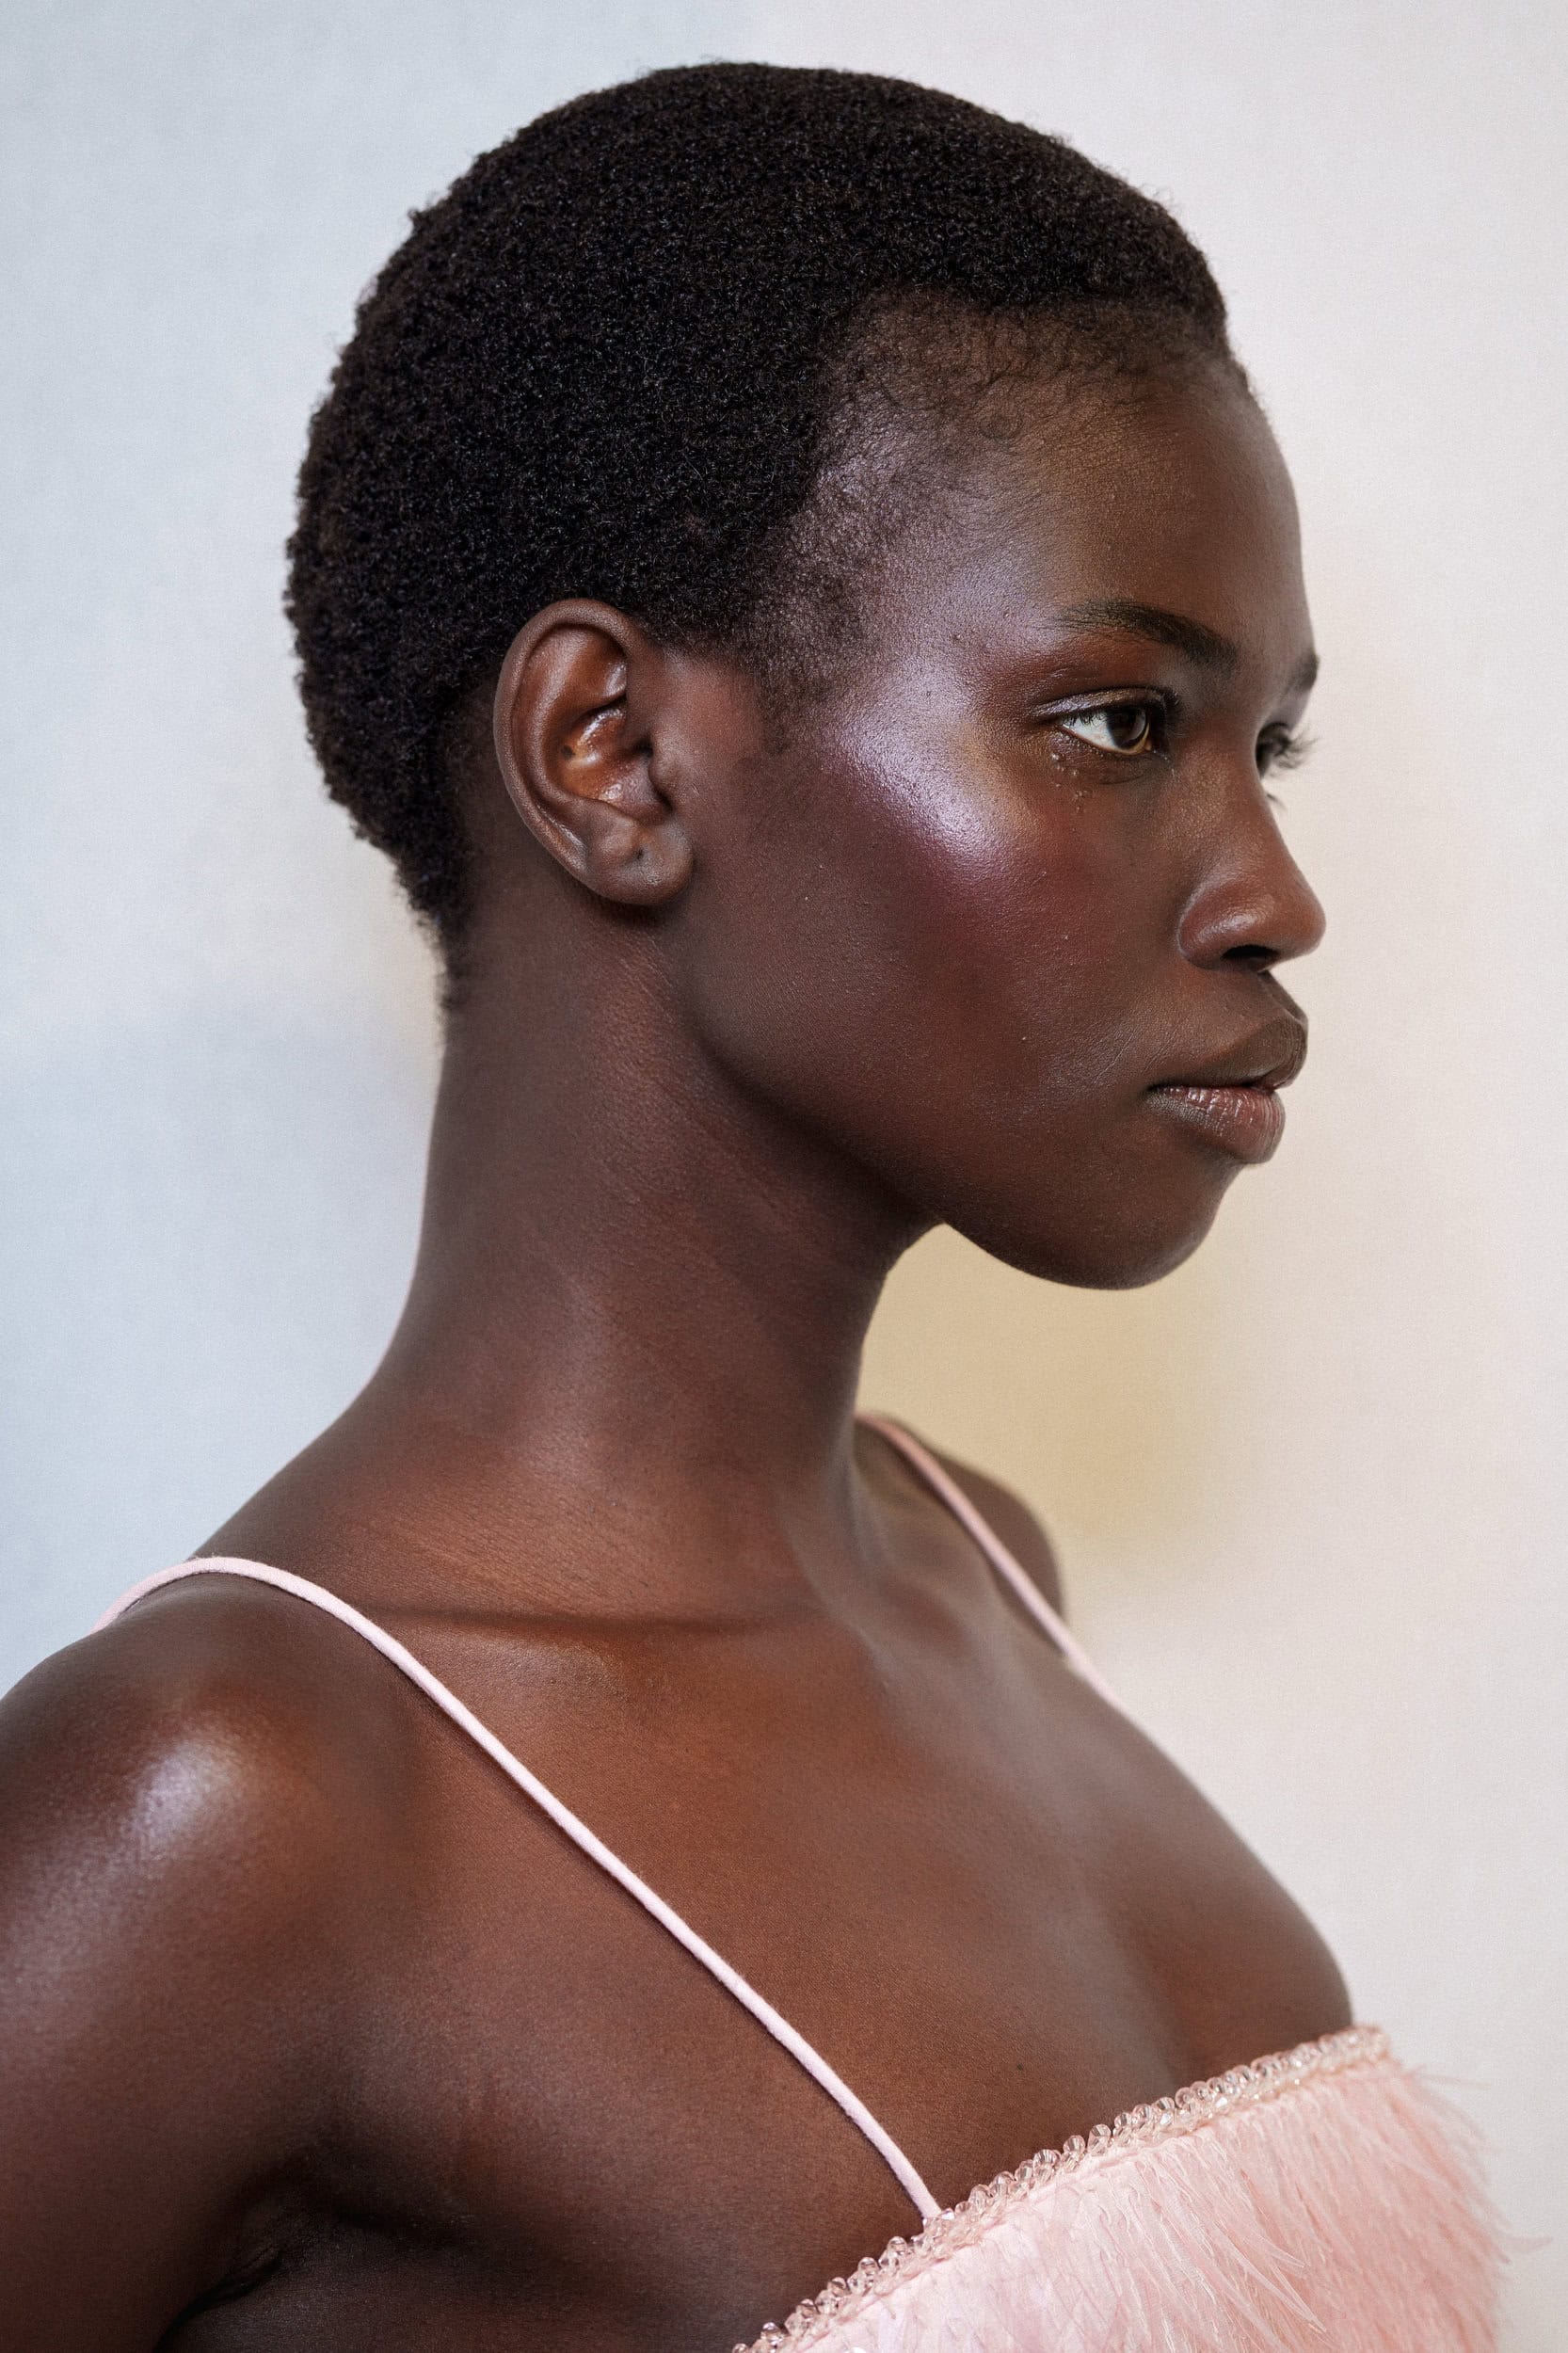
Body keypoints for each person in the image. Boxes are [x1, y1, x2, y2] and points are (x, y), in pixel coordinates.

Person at [0, 61, 1497, 2353]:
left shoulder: (986, 1571)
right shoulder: (227, 1811)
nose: (1273, 894)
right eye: (1116, 720)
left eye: (1262, 744)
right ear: (608, 755)